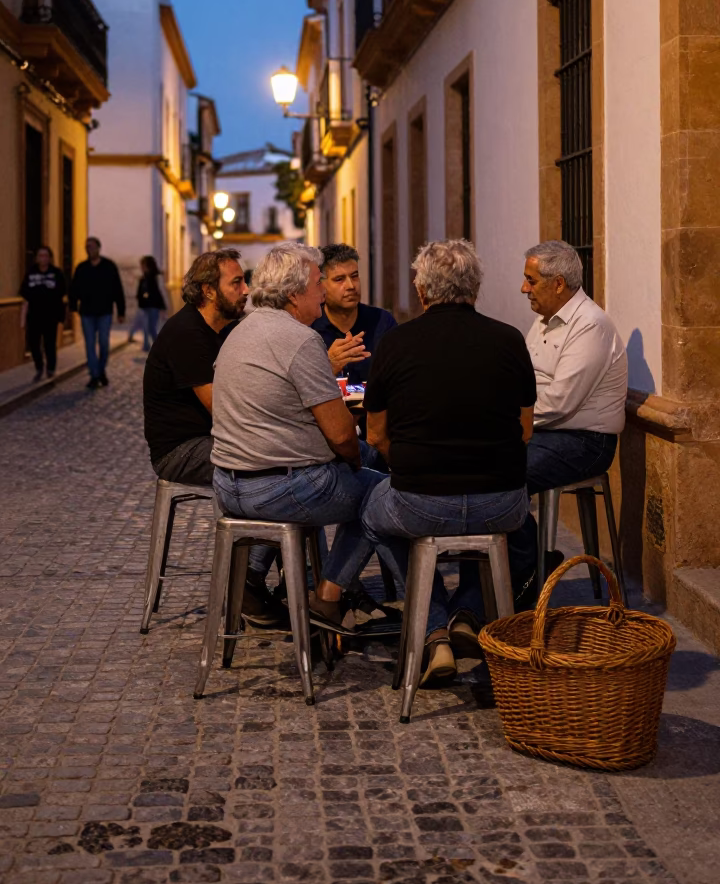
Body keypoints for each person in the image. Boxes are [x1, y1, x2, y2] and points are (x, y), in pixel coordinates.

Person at [360, 239, 537, 687]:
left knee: (372, 513)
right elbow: (525, 429)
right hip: (501, 502)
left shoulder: (396, 343)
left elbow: (376, 435)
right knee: (515, 534)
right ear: (474, 288)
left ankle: (434, 626)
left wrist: (413, 467)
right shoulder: (509, 339)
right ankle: (468, 613)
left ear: (422, 292)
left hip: (422, 501)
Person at [211, 243, 404, 634]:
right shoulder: (300, 340)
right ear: (296, 293)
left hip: (229, 484)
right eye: (320, 283)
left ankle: (252, 577)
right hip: (278, 486)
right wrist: (355, 461)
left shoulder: (240, 331)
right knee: (383, 491)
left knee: (347, 471)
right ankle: (329, 597)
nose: (322, 292)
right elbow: (340, 435)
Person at [143, 248, 279, 628]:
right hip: (182, 449)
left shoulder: (224, 330)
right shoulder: (187, 334)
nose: (246, 289)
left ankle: (267, 583)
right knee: (271, 472)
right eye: (236, 282)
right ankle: (246, 585)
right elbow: (223, 407)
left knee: (288, 468)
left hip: (216, 439)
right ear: (208, 290)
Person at [521, 239, 628, 498]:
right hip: (542, 431)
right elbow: (522, 377)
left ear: (558, 284)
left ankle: (522, 540)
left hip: (584, 443)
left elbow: (560, 402)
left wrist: (510, 420)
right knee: (478, 461)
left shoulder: (590, 325)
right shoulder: (542, 320)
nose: (524, 289)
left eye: (531, 281)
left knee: (506, 474)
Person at [312, 243, 396, 381]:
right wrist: (328, 366)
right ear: (321, 285)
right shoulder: (310, 328)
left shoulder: (382, 322)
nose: (351, 286)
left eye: (354, 276)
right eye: (339, 279)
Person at [69, 237, 125, 389]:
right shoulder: (81, 268)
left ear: (99, 248)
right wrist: (73, 305)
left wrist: (121, 311)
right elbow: (74, 288)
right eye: (87, 247)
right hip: (87, 312)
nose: (89, 249)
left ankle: (101, 370)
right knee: (89, 344)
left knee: (104, 343)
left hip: (105, 311)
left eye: (92, 247)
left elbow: (117, 289)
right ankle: (94, 375)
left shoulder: (109, 266)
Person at [20, 246, 67, 382]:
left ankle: (51, 368)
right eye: (40, 255)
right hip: (34, 314)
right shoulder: (30, 272)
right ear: (37, 258)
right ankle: (39, 367)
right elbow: (24, 291)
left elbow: (62, 291)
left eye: (46, 256)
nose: (43, 258)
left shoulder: (56, 273)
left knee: (49, 343)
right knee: (33, 343)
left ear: (50, 258)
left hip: (51, 315)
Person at [129, 256, 166, 351]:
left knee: (151, 328)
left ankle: (159, 346)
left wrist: (162, 306)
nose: (141, 267)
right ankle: (146, 345)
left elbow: (158, 292)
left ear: (147, 266)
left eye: (143, 265)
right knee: (145, 326)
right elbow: (141, 291)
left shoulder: (154, 277)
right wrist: (140, 297)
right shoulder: (144, 277)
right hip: (145, 306)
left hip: (153, 306)